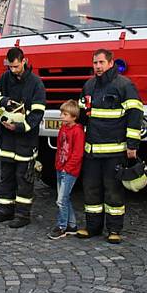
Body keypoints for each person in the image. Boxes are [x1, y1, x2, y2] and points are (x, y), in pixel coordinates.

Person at [76, 49, 143, 244]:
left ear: (111, 63)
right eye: (95, 62)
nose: (98, 66)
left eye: (101, 62)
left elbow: (135, 115)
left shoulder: (124, 85)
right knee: (91, 190)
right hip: (92, 150)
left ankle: (114, 229)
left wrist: (132, 145)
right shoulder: (89, 85)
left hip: (115, 150)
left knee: (113, 191)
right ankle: (92, 227)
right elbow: (82, 113)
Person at [0, 47, 46, 228]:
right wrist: (3, 101)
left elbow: (37, 114)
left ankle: (22, 215)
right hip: (6, 138)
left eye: (16, 66)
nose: (13, 70)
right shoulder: (6, 78)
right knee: (6, 177)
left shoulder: (36, 83)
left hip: (25, 139)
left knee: (24, 179)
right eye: (10, 67)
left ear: (24, 61)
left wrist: (20, 126)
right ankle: (5, 210)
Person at [49, 99, 84, 239]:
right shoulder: (63, 128)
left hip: (69, 171)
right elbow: (59, 147)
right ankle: (72, 225)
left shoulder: (77, 131)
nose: (61, 116)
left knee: (61, 200)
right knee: (65, 198)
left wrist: (67, 168)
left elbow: (77, 153)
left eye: (65, 114)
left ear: (73, 117)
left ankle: (61, 226)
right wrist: (58, 164)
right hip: (61, 167)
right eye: (61, 113)